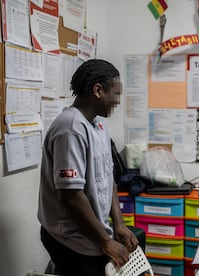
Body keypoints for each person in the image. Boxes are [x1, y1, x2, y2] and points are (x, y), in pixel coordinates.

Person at [37, 59, 138, 276]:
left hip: (93, 233)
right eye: (116, 94)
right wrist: (105, 241)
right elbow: (71, 196)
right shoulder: (70, 128)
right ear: (98, 90)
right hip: (70, 237)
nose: (118, 101)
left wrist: (119, 224)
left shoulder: (99, 124)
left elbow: (107, 175)